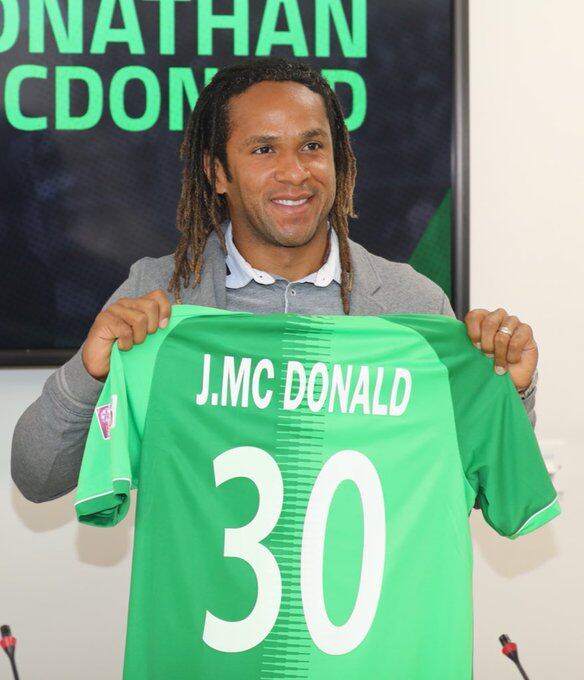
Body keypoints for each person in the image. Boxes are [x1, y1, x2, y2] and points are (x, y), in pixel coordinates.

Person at [11, 57, 538, 504]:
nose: (295, 172)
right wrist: (91, 371)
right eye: (264, 150)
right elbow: (37, 477)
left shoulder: (412, 303)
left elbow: (486, 489)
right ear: (218, 173)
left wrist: (510, 393)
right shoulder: (159, 297)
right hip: (201, 599)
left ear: (338, 160)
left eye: (312, 146)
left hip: (370, 600)